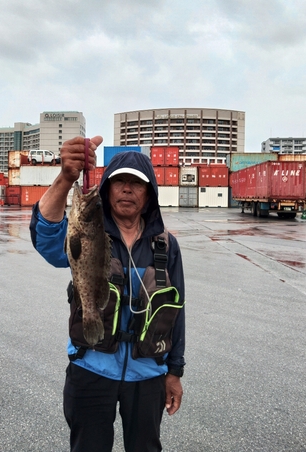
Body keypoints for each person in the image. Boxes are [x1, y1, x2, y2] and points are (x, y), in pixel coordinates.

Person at [30, 136, 186, 452]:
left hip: (148, 375)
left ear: (149, 194)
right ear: (107, 189)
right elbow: (46, 240)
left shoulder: (166, 246)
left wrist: (174, 372)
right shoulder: (90, 231)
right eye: (119, 182)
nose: (127, 189)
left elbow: (176, 310)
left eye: (137, 184)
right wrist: (66, 177)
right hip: (90, 369)